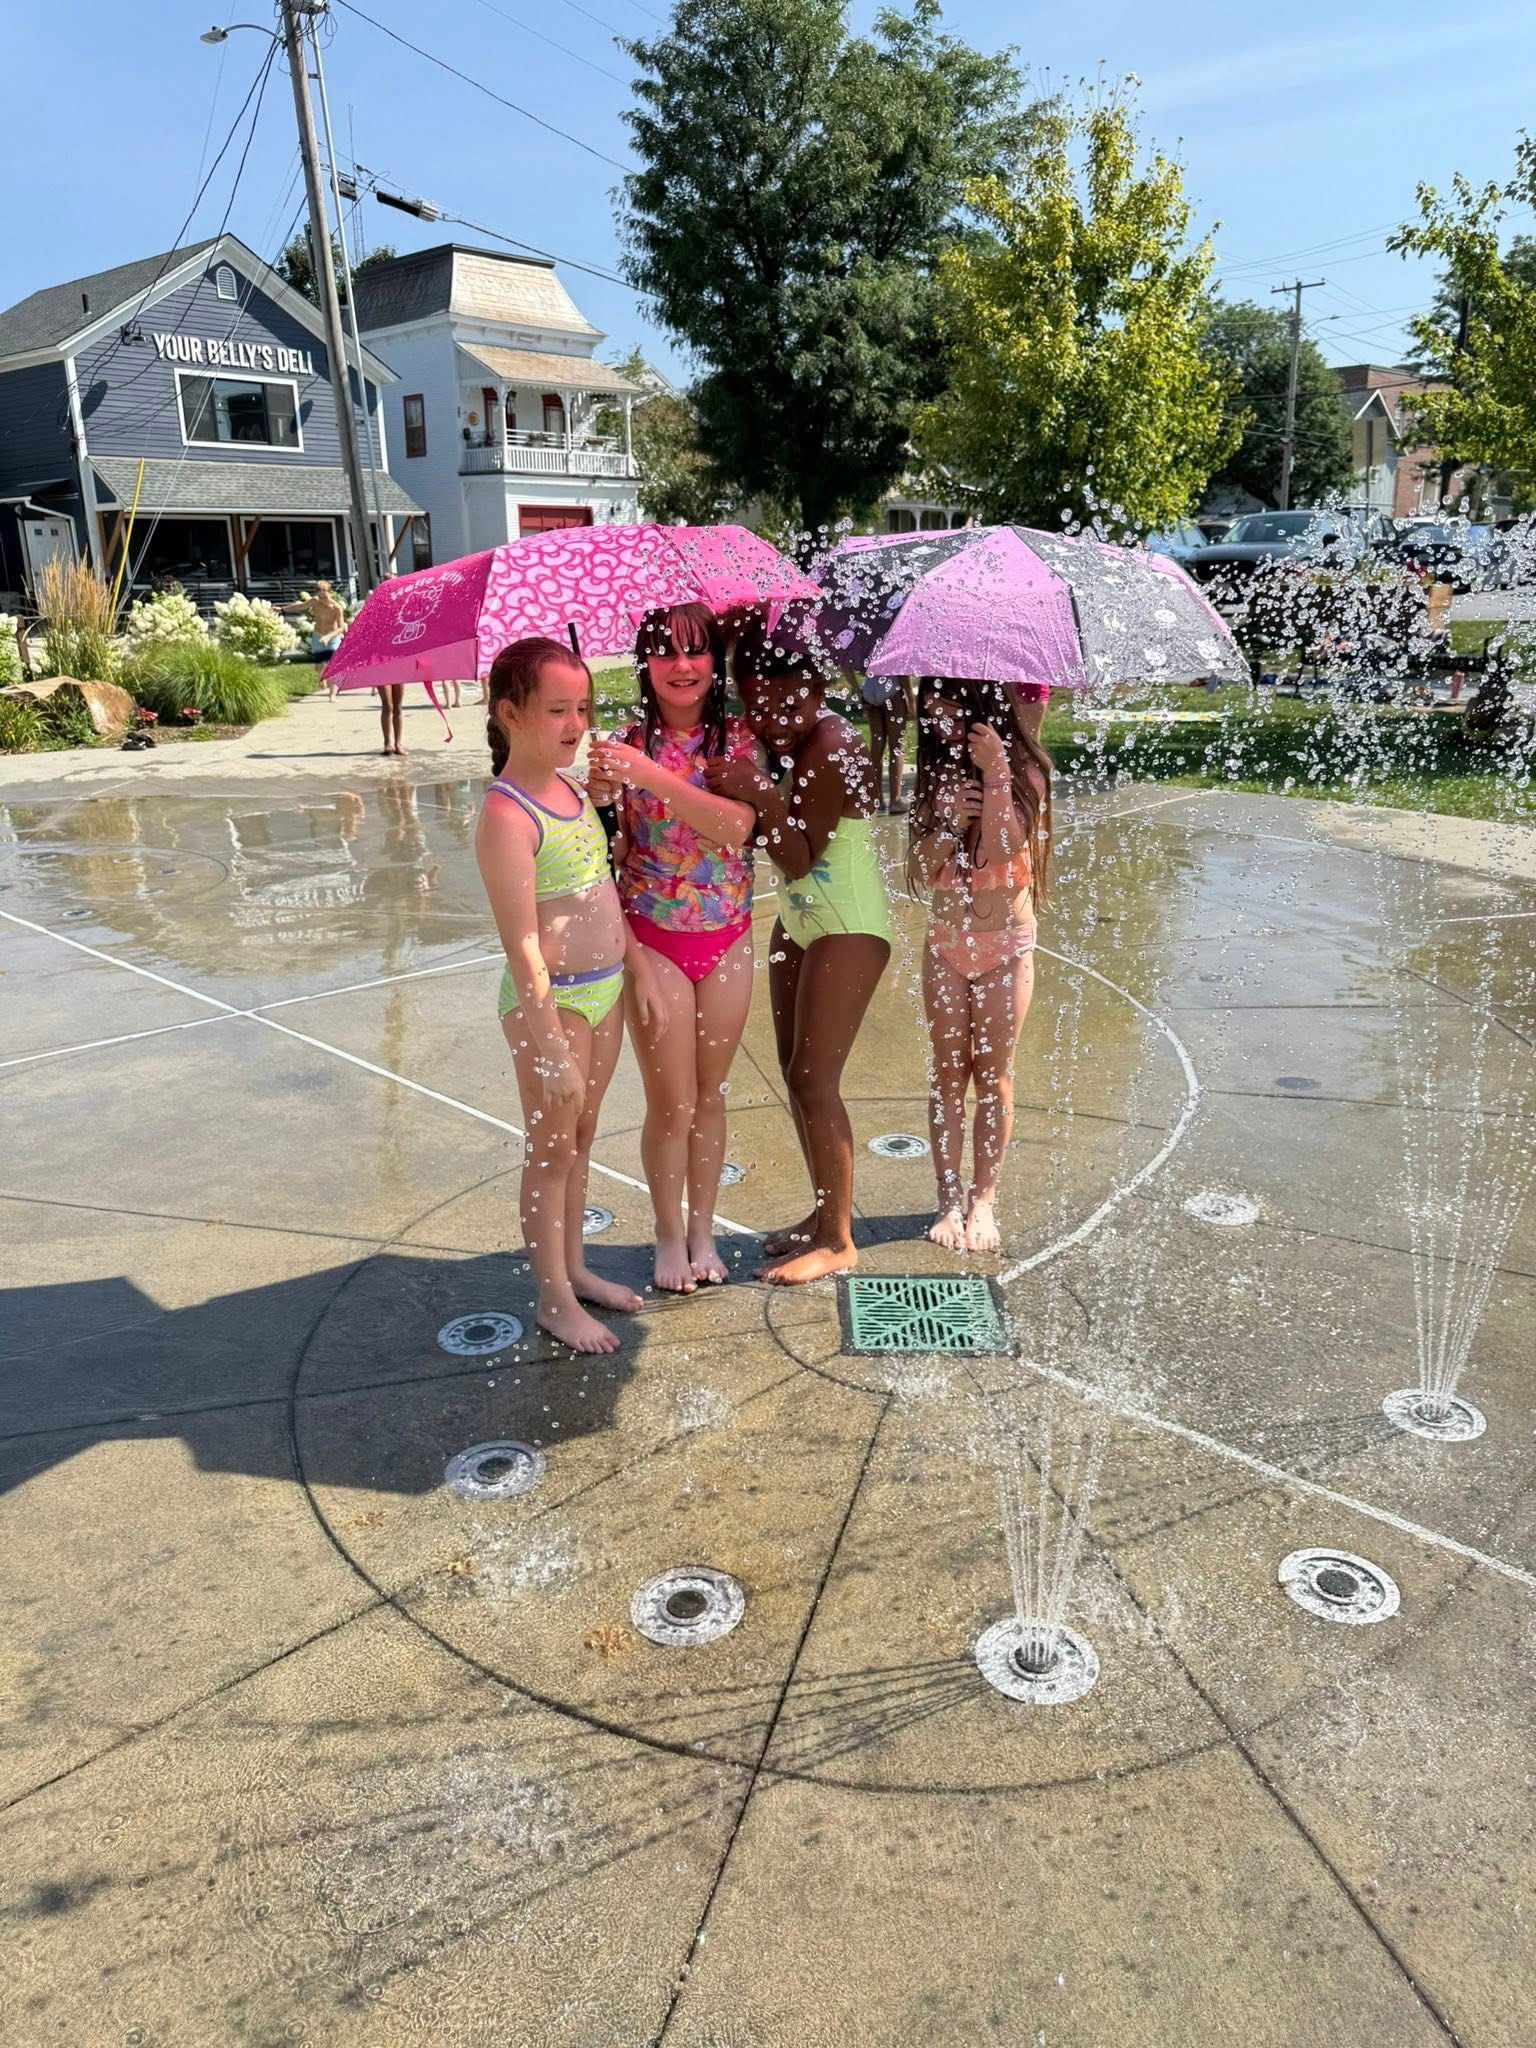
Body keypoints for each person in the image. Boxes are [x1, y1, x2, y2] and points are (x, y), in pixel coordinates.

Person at [475, 635, 665, 1353]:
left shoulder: (574, 791)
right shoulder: (506, 815)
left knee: (581, 1139)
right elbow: (522, 942)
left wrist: (638, 967)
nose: (575, 724)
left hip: (605, 990)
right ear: (509, 714)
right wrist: (550, 1045)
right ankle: (552, 1298)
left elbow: (601, 890)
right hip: (549, 1006)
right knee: (551, 1147)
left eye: (582, 707)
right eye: (557, 709)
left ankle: (576, 1269)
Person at [701, 603, 891, 1285]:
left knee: (817, 1080)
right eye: (758, 702)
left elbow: (801, 856)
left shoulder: (832, 746)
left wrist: (759, 795)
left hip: (848, 924)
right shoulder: (786, 742)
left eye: (791, 698)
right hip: (803, 922)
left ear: (819, 686)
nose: (774, 714)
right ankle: (821, 1213)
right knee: (793, 1071)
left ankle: (839, 1239)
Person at [587, 604, 760, 1294]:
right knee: (671, 1103)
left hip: (729, 935)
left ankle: (702, 1232)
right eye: (665, 653)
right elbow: (613, 854)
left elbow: (735, 828)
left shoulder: (739, 741)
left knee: (711, 1095)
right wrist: (604, 801)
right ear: (646, 664)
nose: (682, 666)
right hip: (652, 938)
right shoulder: (620, 743)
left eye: (695, 652)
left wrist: (645, 774)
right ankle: (666, 1234)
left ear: (713, 663)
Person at [908, 677, 1052, 1255]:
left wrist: (994, 777)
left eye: (955, 715)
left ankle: (984, 1198)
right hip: (946, 941)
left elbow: (1003, 852)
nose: (944, 728)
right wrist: (945, 822)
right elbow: (918, 868)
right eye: (933, 716)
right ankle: (947, 1197)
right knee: (948, 1073)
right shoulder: (934, 782)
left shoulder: (1026, 773)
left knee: (994, 1075)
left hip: (1005, 946)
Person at [859, 673, 913, 814]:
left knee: (876, 746)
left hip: (869, 689)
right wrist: (911, 700)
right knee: (897, 747)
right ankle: (895, 801)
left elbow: (845, 667)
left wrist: (857, 688)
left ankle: (877, 800)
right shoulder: (894, 649)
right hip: (892, 689)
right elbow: (902, 670)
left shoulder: (866, 648)